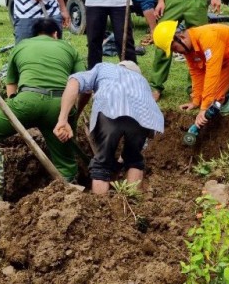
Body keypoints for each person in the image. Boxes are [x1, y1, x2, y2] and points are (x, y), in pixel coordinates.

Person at [0, 18, 83, 200]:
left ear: (34, 35)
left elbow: (11, 87)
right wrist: (71, 115)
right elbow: (81, 83)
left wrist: (19, 115)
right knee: (65, 160)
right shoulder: (69, 48)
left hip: (26, 101)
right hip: (60, 105)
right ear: (56, 34)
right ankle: (68, 196)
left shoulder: (22, 46)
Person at [53, 60, 164, 195]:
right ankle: (133, 206)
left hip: (110, 108)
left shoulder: (103, 67)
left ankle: (101, 210)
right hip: (143, 116)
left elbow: (74, 81)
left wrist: (63, 119)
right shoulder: (142, 81)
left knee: (102, 163)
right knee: (134, 160)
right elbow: (143, 131)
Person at [152, 21, 229, 134]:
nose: (176, 52)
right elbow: (196, 73)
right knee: (212, 99)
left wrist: (204, 109)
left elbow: (212, 72)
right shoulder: (189, 49)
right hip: (225, 66)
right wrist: (196, 101)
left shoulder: (208, 36)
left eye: (174, 48)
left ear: (181, 37)